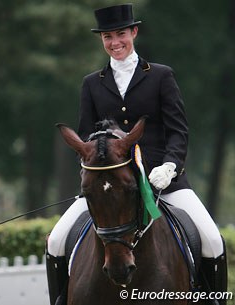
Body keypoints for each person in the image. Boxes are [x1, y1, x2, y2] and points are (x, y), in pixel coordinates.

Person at [46, 4, 227, 305]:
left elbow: (178, 130)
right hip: (109, 186)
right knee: (55, 241)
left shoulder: (160, 76)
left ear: (134, 32)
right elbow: (86, 136)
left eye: (120, 34)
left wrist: (170, 165)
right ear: (101, 40)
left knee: (212, 241)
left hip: (163, 181)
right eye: (107, 36)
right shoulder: (92, 83)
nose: (115, 42)